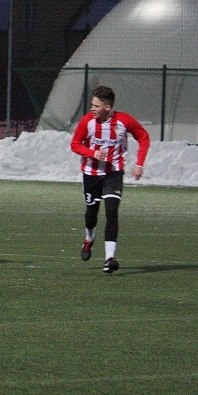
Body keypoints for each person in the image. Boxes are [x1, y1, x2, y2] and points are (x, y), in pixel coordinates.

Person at [70, 85, 150, 274]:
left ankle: (109, 258)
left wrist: (139, 164)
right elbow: (74, 144)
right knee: (91, 214)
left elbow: (144, 137)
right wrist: (92, 153)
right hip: (91, 174)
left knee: (112, 211)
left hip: (113, 174)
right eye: (92, 105)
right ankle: (89, 238)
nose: (92, 109)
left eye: (96, 106)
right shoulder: (87, 122)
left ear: (107, 107)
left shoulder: (124, 121)